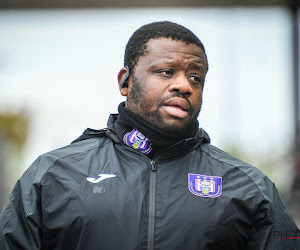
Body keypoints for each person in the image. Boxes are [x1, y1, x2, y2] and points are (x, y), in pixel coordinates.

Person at [0, 21, 299, 250]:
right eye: (166, 72)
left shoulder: (249, 186)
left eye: (196, 77)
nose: (184, 85)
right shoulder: (53, 174)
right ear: (126, 82)